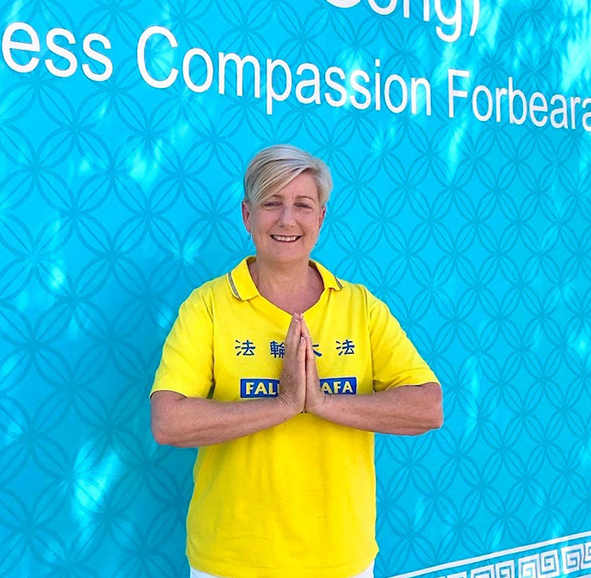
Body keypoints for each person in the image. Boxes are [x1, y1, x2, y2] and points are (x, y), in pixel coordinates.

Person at [150, 144, 443, 578]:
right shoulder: (207, 306)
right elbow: (168, 422)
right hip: (232, 561)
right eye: (272, 203)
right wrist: (283, 404)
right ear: (247, 215)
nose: (287, 220)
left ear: (320, 218)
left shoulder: (360, 307)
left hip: (341, 560)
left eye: (303, 205)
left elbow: (428, 407)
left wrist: (322, 403)